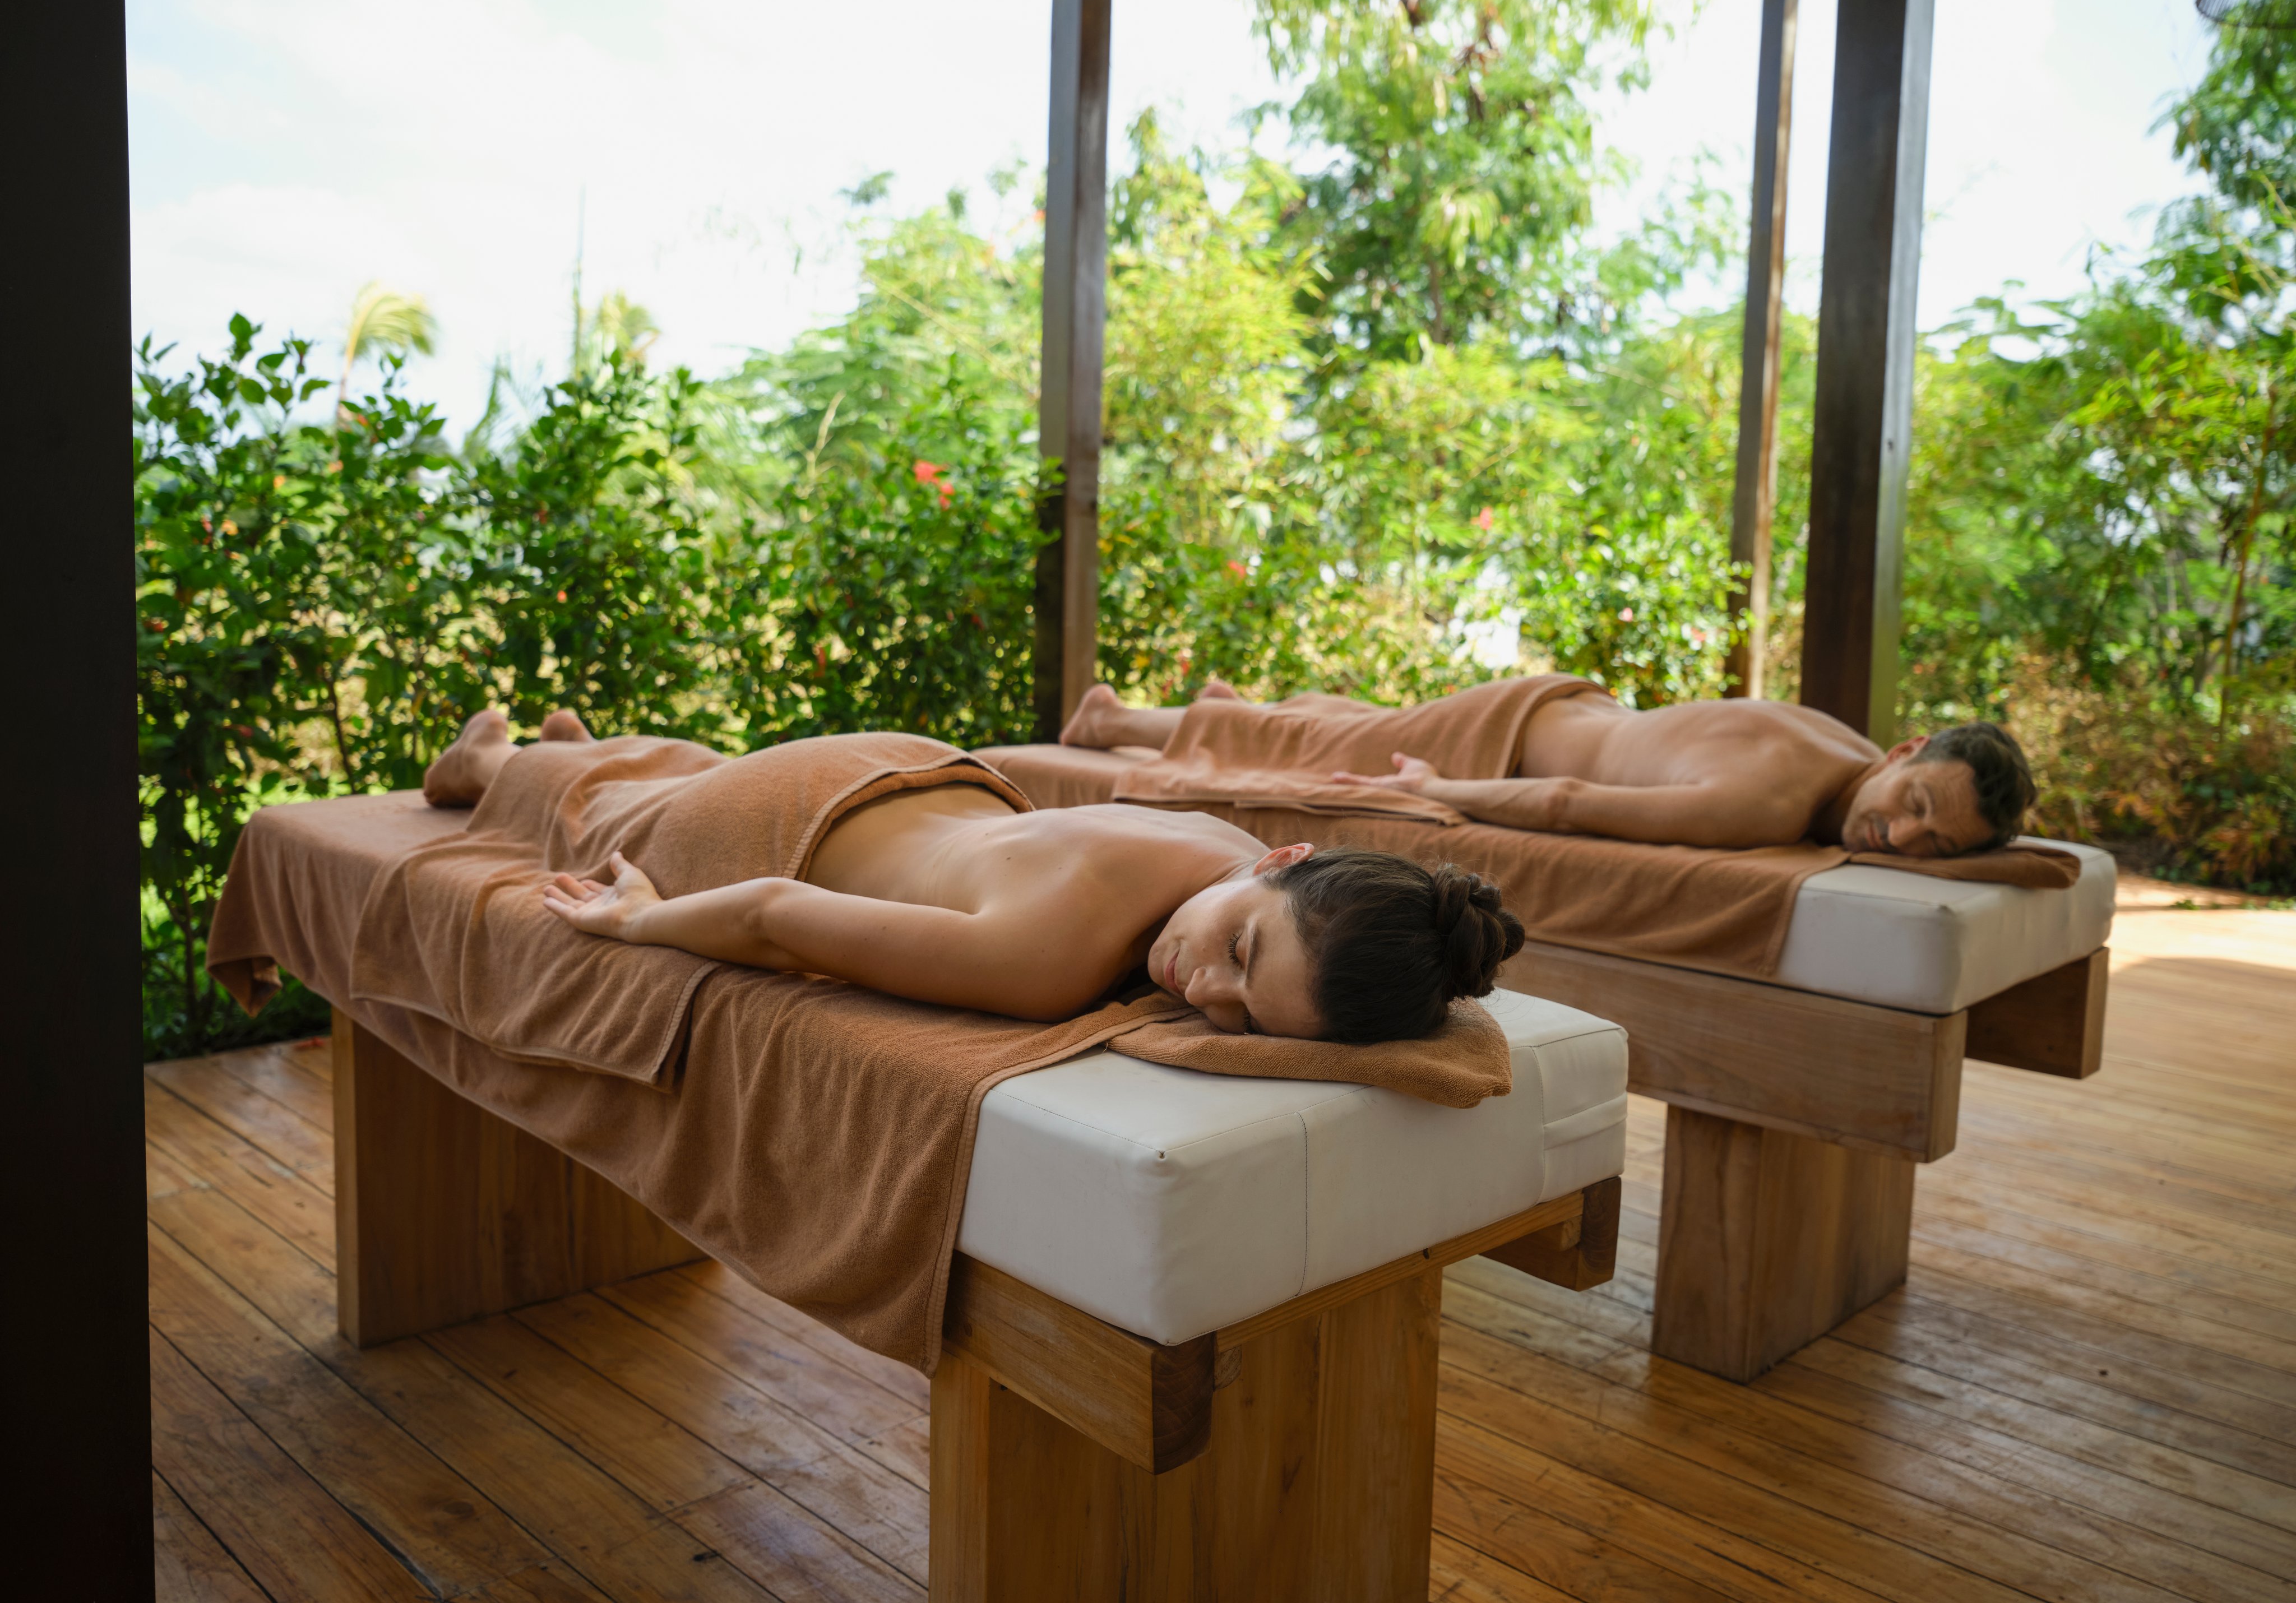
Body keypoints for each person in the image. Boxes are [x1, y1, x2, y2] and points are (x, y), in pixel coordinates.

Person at [420, 710, 1522, 1044]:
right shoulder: (1042, 962)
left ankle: (575, 744)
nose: (1203, 992)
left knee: (647, 785)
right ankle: (496, 762)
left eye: (1241, 1015)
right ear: (1284, 861)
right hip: (777, 827)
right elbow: (771, 913)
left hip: (913, 767)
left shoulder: (1229, 855)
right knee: (600, 825)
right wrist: (643, 926)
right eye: (1240, 953)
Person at [1059, 679, 2036, 858]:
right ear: (1906, 754)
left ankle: (1231, 712)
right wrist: (1436, 792)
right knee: (1318, 757)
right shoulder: (1768, 803)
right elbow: (1569, 804)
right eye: (1914, 805)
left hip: (1569, 710)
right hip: (1511, 740)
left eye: (1935, 846)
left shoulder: (1848, 750)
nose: (1900, 836)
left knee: (1344, 727)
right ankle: (1116, 719)